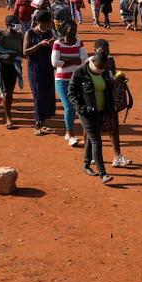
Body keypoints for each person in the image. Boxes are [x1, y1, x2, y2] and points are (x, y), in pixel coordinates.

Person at [68, 38, 116, 183]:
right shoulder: (80, 72)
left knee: (91, 137)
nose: (101, 69)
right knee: (97, 140)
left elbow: (108, 89)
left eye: (104, 67)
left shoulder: (104, 72)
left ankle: (86, 164)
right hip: (86, 112)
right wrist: (80, 108)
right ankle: (103, 173)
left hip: (100, 110)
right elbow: (71, 93)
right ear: (93, 61)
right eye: (100, 66)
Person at [51, 20, 86, 147]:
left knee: (78, 106)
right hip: (62, 80)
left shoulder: (79, 42)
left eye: (75, 29)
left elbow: (83, 60)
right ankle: (70, 134)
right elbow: (54, 63)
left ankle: (69, 131)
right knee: (69, 106)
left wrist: (65, 60)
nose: (74, 32)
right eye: (71, 29)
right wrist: (74, 60)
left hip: (77, 80)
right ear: (65, 30)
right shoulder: (57, 43)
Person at [23, 12, 56, 135]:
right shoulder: (30, 33)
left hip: (47, 67)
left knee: (47, 93)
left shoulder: (48, 33)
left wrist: (52, 44)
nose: (48, 25)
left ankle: (43, 122)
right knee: (38, 94)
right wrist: (39, 45)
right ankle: (37, 125)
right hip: (35, 68)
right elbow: (25, 52)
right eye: (46, 22)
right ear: (39, 22)